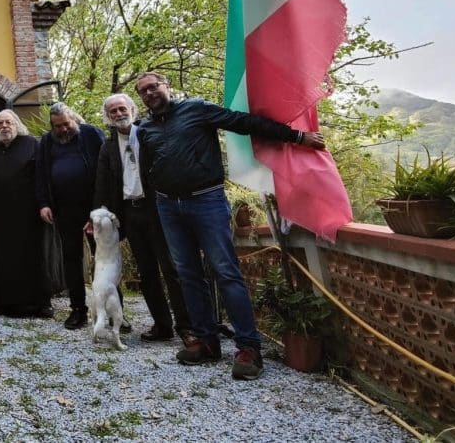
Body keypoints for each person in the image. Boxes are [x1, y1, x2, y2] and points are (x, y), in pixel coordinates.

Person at [133, 71, 326, 380]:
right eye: (143, 91)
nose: (149, 93)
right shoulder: (144, 129)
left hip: (206, 201)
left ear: (166, 85)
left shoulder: (196, 109)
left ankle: (249, 348)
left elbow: (243, 122)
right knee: (188, 276)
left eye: (153, 86)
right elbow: (146, 171)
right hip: (169, 207)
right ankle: (207, 341)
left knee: (225, 271)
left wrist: (297, 137)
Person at [93, 93, 191, 344]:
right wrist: (98, 218)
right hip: (130, 213)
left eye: (121, 108)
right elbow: (102, 186)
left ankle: (186, 326)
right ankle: (162, 325)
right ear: (108, 116)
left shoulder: (148, 134)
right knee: (147, 272)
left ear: (132, 110)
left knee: (171, 268)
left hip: (158, 208)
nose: (118, 114)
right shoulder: (107, 147)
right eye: (112, 111)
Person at [36, 102, 106, 330]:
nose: (63, 130)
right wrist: (44, 203)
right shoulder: (47, 141)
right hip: (64, 210)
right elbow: (42, 173)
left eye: (66, 124)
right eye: (58, 126)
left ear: (73, 119)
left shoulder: (91, 134)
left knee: (103, 260)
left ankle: (114, 311)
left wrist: (99, 208)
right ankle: (78, 309)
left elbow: (106, 171)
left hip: (95, 209)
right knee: (71, 260)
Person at [0, 110, 51, 317]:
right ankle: (7, 303)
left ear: (17, 124)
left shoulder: (31, 145)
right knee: (4, 260)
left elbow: (42, 176)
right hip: (1, 218)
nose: (4, 126)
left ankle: (40, 303)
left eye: (8, 122)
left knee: (33, 257)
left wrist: (44, 204)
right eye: (0, 123)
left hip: (28, 214)